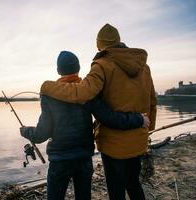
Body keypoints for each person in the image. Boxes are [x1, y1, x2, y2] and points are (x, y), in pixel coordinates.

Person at [40, 24, 157, 200]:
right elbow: (152, 101)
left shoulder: (102, 65)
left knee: (116, 189)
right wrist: (147, 128)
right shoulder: (144, 67)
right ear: (119, 41)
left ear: (98, 46)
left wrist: (47, 86)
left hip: (113, 144)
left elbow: (82, 93)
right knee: (133, 183)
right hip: (138, 139)